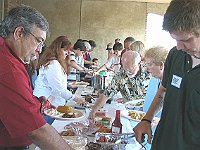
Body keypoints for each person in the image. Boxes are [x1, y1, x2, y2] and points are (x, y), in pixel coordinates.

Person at [0, 5, 73, 149]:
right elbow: (37, 131)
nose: (39, 50)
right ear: (19, 33)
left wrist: (37, 103)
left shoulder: (11, 55)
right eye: (38, 41)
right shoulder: (7, 66)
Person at [134, 1, 200, 150]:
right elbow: (163, 90)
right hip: (161, 142)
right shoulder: (175, 55)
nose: (179, 46)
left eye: (186, 40)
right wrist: (147, 119)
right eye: (175, 40)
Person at [88, 51, 148, 122]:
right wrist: (93, 111)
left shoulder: (149, 70)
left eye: (131, 68)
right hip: (129, 112)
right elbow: (106, 94)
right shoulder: (120, 75)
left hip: (148, 111)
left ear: (139, 63)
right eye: (126, 68)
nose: (128, 72)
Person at [143, 46, 169, 117]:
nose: (147, 68)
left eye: (150, 64)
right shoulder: (153, 80)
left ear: (161, 65)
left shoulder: (171, 85)